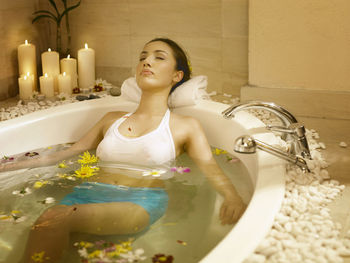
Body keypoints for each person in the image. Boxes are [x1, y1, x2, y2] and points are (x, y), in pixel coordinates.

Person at [1, 38, 246, 262]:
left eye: (158, 57)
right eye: (143, 57)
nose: (147, 61)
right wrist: (11, 166)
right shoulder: (111, 118)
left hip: (139, 201)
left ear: (176, 75)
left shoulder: (185, 126)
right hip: (85, 194)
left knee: (54, 218)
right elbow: (64, 154)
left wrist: (233, 196)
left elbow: (210, 168)